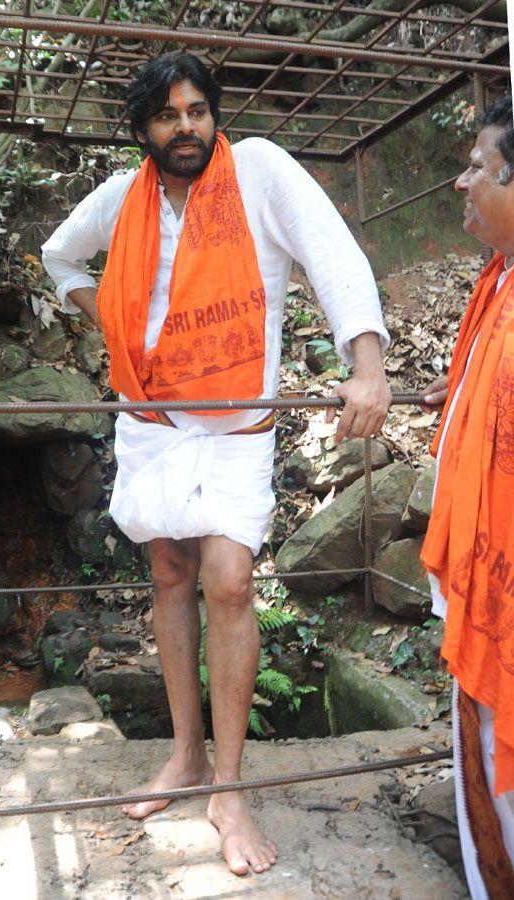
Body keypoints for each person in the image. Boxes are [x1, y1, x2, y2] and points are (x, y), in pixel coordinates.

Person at [43, 52, 391, 876]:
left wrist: (368, 366)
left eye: (199, 110)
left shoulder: (261, 169)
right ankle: (186, 756)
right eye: (169, 115)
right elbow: (61, 256)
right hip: (153, 420)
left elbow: (333, 255)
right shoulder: (124, 196)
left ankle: (229, 787)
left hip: (237, 425)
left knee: (229, 580)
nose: (188, 126)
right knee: (169, 572)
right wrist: (112, 326)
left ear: (214, 117)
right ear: (143, 131)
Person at [421, 94, 514, 897]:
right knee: (482, 748)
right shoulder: (497, 283)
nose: (462, 183)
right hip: (483, 582)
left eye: (480, 168)